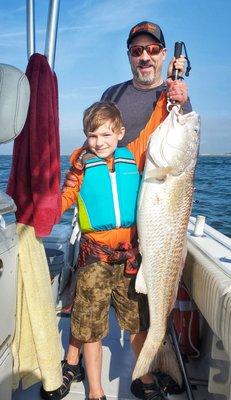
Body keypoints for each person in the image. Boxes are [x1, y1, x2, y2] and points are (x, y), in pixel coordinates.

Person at [46, 21, 190, 400]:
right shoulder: (114, 92)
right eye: (136, 51)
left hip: (147, 207)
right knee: (87, 301)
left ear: (162, 55)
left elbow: (182, 134)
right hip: (105, 208)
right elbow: (93, 142)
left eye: (152, 50)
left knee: (137, 309)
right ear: (130, 56)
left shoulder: (173, 94)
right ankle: (72, 362)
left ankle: (146, 371)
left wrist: (181, 94)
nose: (145, 57)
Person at [40, 97, 172, 400]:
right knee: (89, 327)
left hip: (130, 258)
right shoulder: (81, 166)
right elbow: (66, 198)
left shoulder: (134, 157)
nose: (99, 142)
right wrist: (42, 214)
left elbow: (155, 124)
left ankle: (145, 374)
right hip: (94, 259)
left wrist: (168, 96)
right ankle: (96, 391)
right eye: (93, 135)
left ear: (120, 132)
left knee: (138, 322)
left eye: (106, 135)